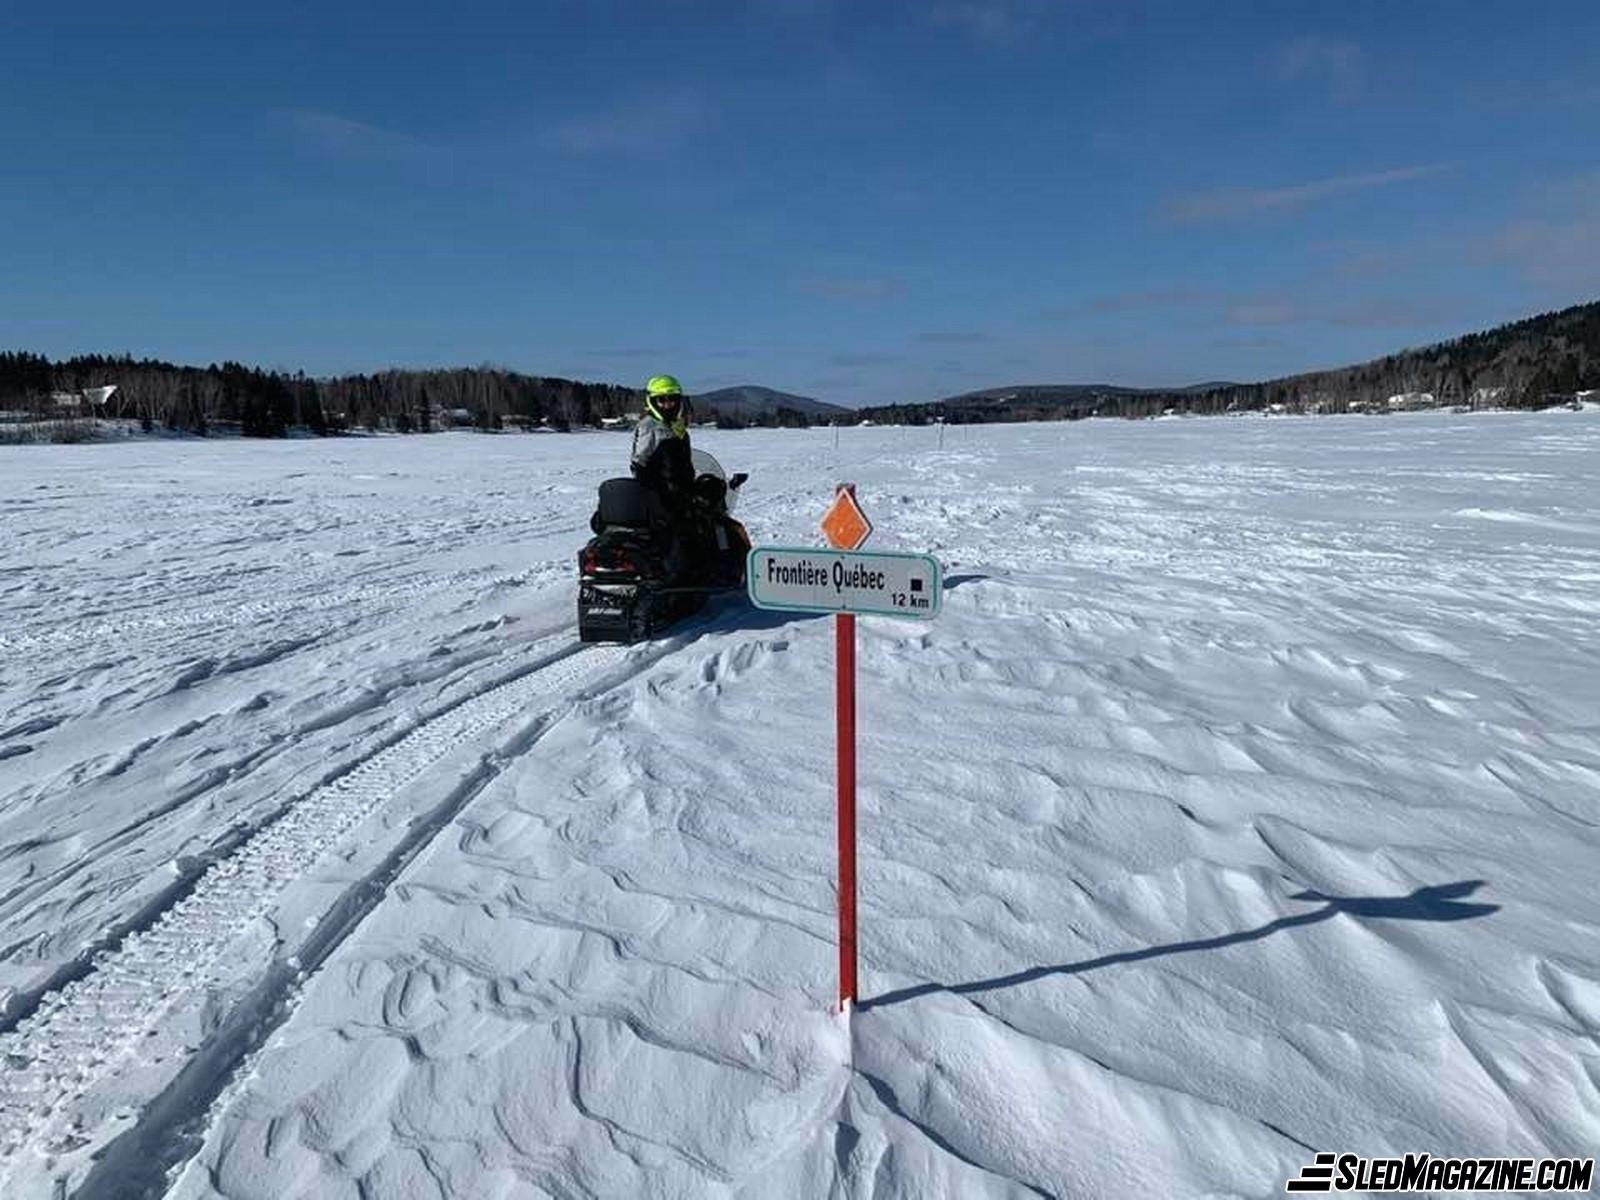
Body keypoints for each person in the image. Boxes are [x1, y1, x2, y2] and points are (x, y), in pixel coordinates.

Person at [631, 374, 695, 521]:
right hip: (662, 499)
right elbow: (639, 464)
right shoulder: (648, 426)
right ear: (652, 401)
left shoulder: (677, 425)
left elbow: (683, 458)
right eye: (662, 400)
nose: (668, 404)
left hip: (682, 494)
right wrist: (654, 497)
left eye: (672, 399)